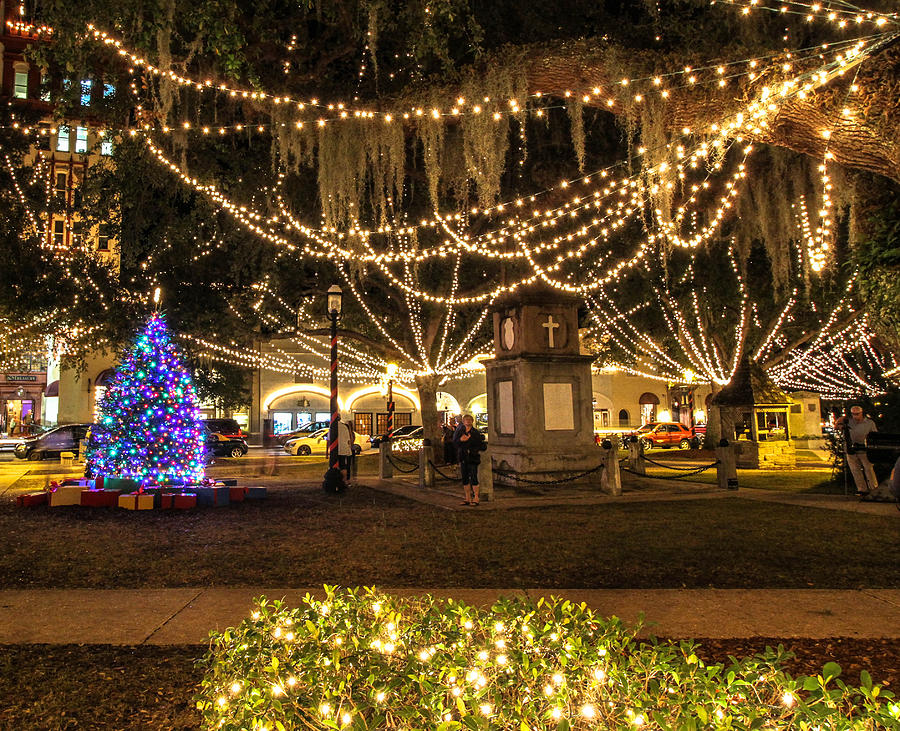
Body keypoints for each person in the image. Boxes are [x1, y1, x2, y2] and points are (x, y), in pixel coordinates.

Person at [837, 405, 878, 496]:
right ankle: (862, 489)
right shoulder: (849, 422)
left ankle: (873, 488)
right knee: (855, 470)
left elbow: (874, 435)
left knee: (868, 469)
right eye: (853, 414)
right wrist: (841, 421)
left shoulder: (869, 423)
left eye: (857, 414)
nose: (855, 416)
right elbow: (838, 426)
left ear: (861, 413)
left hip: (864, 450)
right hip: (851, 449)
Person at [453, 413, 486, 506]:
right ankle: (467, 497)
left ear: (472, 421)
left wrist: (473, 449)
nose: (467, 421)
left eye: (469, 420)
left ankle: (476, 497)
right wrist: (461, 440)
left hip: (472, 457)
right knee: (465, 478)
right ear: (463, 422)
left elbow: (481, 445)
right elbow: (455, 443)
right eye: (466, 420)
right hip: (463, 457)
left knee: (474, 477)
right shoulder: (459, 432)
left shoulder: (475, 432)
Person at [336, 415, 354, 482]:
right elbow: (349, 440)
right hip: (344, 450)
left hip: (337, 450)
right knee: (344, 466)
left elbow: (329, 440)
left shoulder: (333, 427)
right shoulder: (344, 427)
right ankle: (345, 480)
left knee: (340, 466)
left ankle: (340, 480)